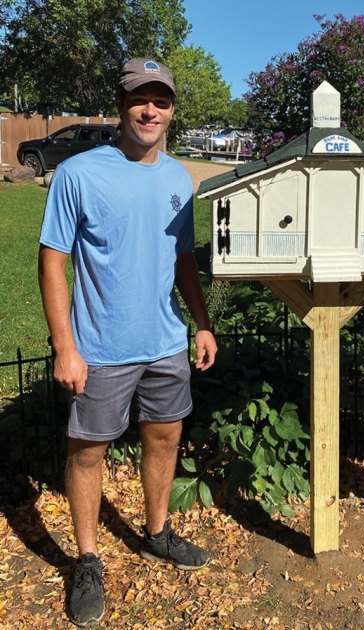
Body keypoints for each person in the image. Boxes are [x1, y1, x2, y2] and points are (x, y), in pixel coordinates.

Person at [38, 58, 218, 626]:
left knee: (164, 439)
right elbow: (52, 260)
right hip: (101, 347)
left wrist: (202, 321)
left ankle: (157, 531)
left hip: (165, 342)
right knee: (88, 451)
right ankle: (88, 559)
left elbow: (183, 257)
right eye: (140, 98)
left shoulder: (176, 177)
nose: (150, 110)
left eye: (161, 101)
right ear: (121, 105)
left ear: (170, 110)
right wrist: (65, 346)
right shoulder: (81, 173)